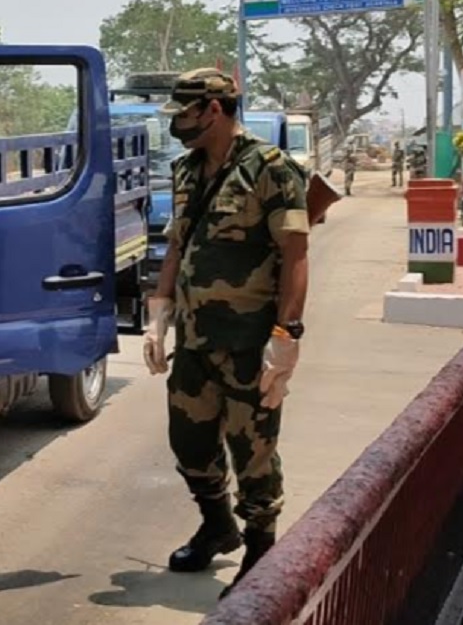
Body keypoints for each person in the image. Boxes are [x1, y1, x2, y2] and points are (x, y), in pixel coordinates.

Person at [142, 69, 310, 599]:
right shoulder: (187, 169)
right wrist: (160, 314)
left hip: (248, 341)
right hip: (194, 340)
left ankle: (261, 554)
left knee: (253, 452)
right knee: (189, 444)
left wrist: (286, 336)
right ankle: (218, 526)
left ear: (213, 110)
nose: (179, 126)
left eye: (185, 115)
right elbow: (176, 245)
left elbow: (296, 255)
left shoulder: (272, 169)